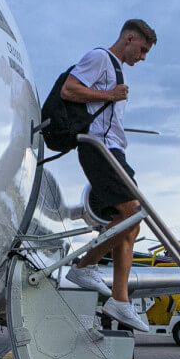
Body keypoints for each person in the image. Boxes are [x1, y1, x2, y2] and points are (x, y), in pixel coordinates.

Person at [62, 18, 157, 332]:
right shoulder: (100, 58)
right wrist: (110, 96)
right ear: (129, 38)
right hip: (99, 150)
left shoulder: (114, 68)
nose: (142, 57)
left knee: (133, 223)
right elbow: (69, 89)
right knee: (131, 214)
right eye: (142, 49)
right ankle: (85, 266)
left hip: (115, 151)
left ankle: (120, 300)